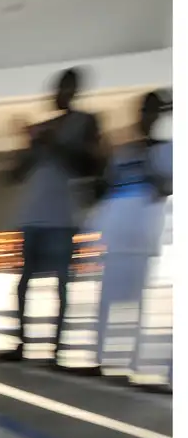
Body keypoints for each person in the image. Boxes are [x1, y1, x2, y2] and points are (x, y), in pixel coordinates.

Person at [2, 68, 104, 365]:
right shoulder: (43, 128)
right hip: (32, 214)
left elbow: (87, 166)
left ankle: (57, 350)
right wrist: (29, 144)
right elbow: (15, 174)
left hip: (62, 216)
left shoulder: (85, 122)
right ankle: (21, 343)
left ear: (75, 91)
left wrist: (51, 143)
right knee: (24, 283)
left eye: (66, 88)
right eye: (57, 89)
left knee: (61, 284)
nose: (59, 94)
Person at [89, 90, 172, 377]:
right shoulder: (123, 150)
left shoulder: (168, 150)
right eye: (144, 110)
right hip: (116, 233)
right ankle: (99, 360)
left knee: (136, 305)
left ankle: (133, 364)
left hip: (141, 235)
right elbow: (106, 187)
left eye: (154, 111)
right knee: (106, 300)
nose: (147, 116)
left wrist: (149, 159)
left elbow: (166, 186)